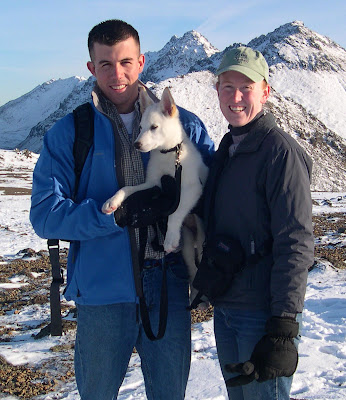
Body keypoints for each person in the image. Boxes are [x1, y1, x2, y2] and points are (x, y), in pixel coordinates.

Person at [30, 19, 214, 400]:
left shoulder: (186, 127)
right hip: (103, 292)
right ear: (91, 68)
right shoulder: (70, 133)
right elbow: (45, 214)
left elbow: (217, 194)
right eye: (106, 64)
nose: (118, 74)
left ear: (142, 61)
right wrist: (115, 217)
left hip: (168, 284)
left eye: (126, 62)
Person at [193, 47, 314, 399]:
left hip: (263, 315)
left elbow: (296, 242)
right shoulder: (228, 148)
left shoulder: (280, 153)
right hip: (228, 306)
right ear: (216, 90)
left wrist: (283, 326)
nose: (236, 97)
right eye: (228, 87)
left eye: (246, 87)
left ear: (265, 91)